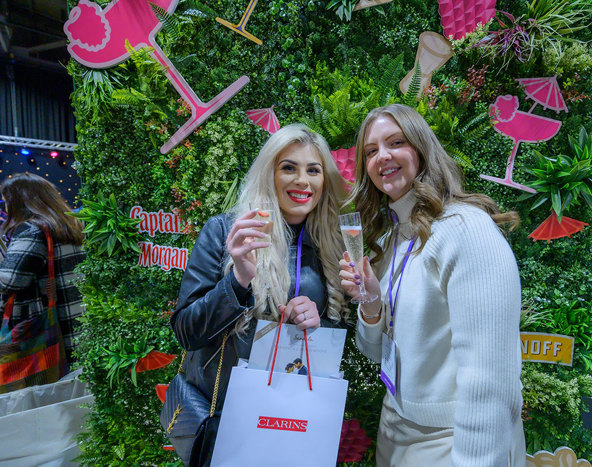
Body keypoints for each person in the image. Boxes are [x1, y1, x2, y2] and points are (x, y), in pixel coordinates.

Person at [339, 104, 526, 466]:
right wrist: (372, 304)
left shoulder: (465, 229)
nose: (383, 157)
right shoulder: (393, 235)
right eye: (371, 150)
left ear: (422, 149)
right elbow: (375, 353)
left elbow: (491, 380)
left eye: (396, 142)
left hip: (450, 440)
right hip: (396, 429)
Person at [170, 124, 350, 466]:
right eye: (289, 168)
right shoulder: (226, 231)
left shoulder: (330, 245)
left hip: (296, 416)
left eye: (313, 170)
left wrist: (319, 321)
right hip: (228, 418)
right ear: (269, 173)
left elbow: (341, 338)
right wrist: (237, 279)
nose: (303, 181)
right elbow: (186, 332)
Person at [0, 173, 86, 367]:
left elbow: (9, 280)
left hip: (45, 335)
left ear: (19, 202)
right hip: (76, 329)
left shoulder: (31, 229)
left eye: (6, 202)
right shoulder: (71, 226)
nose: (5, 209)